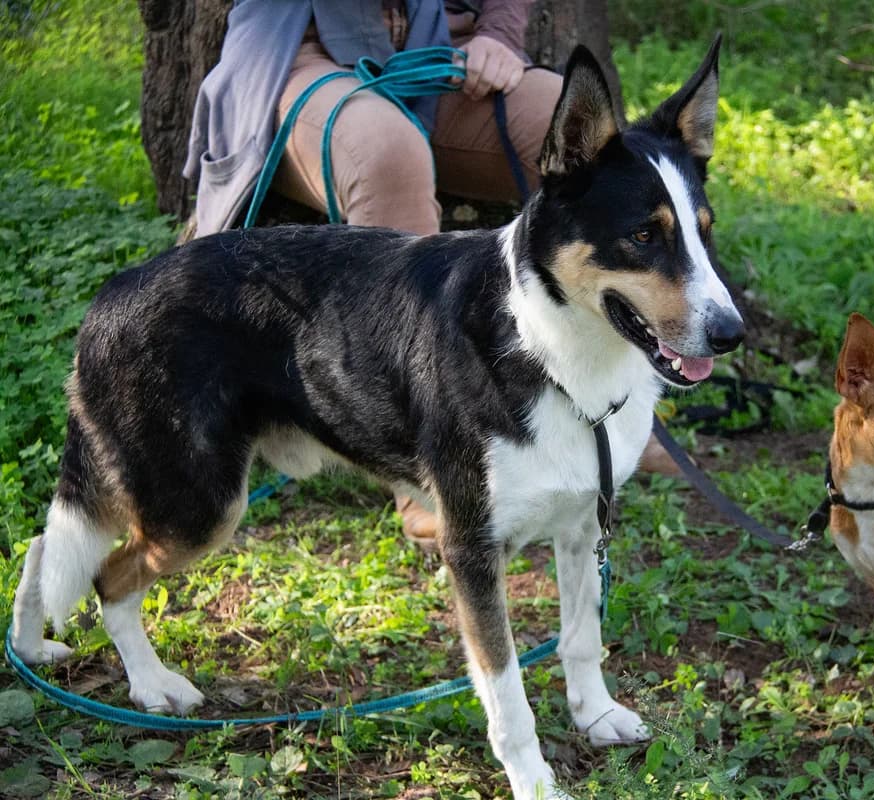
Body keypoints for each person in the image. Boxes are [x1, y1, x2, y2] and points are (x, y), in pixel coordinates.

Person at [184, 0, 679, 544]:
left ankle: (620, 405)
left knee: (596, 151)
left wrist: (497, 34)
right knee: (389, 156)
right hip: (301, 53)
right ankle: (432, 467)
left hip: (445, 43)